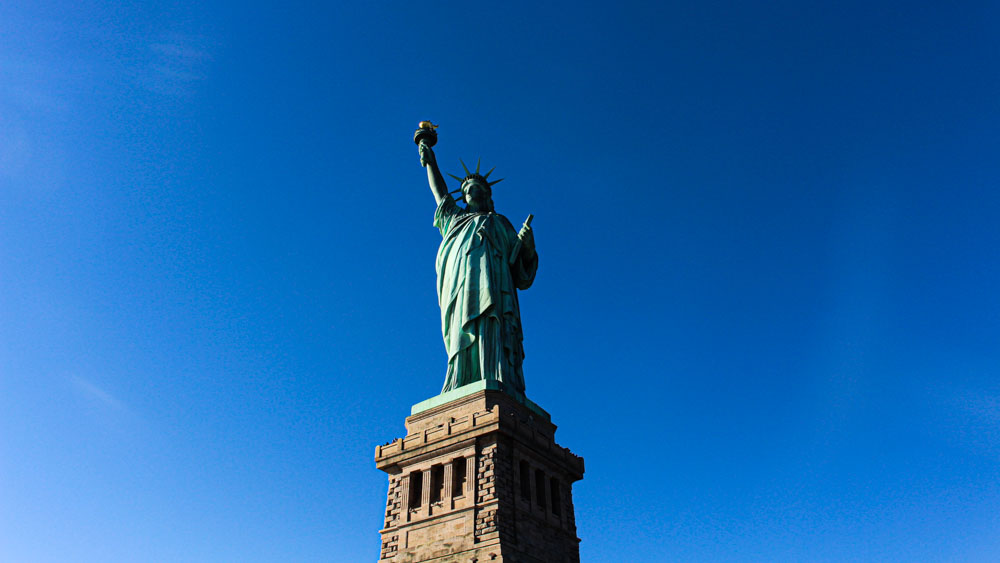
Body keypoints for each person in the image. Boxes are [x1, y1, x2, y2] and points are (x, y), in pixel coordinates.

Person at [418, 141, 537, 394]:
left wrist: (527, 246)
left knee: (492, 321)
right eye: (466, 189)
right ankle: (460, 378)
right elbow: (440, 193)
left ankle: (495, 374)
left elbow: (520, 270)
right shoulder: (455, 219)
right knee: (461, 328)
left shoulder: (500, 223)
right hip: (460, 286)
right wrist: (431, 162)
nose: (471, 190)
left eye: (476, 187)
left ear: (487, 195)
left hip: (494, 286)